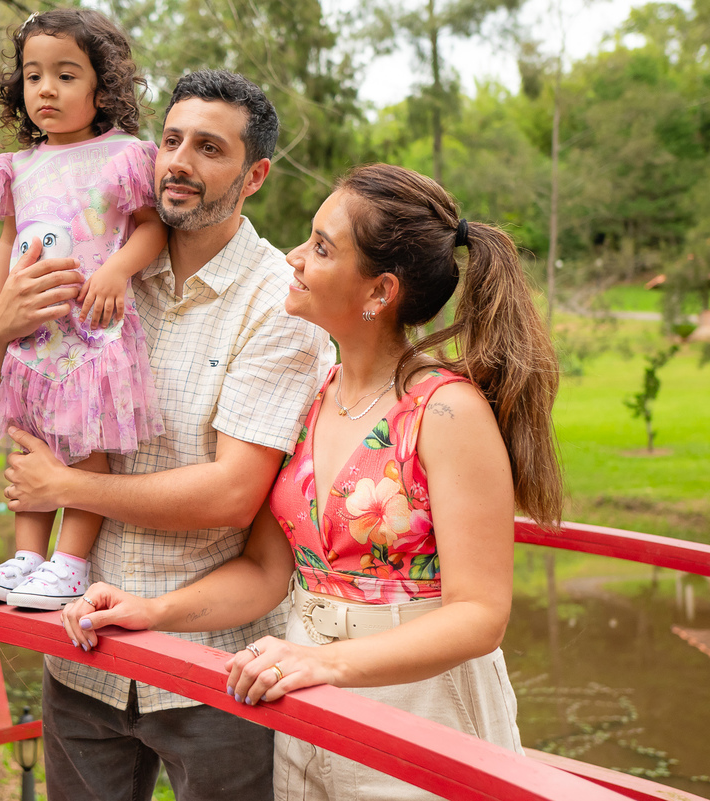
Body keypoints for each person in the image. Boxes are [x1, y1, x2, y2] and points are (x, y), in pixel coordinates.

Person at [61, 163, 563, 800]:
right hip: (309, 702)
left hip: (423, 707)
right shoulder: (316, 398)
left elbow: (479, 615)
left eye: (322, 248)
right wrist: (154, 611)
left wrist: (325, 662)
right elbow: (266, 571)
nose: (293, 258)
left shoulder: (445, 412)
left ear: (380, 292)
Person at [0, 70, 335, 800]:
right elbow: (20, 422)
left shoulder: (280, 304)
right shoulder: (103, 266)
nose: (178, 161)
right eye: (171, 140)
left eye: (209, 148)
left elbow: (232, 495)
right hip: (82, 658)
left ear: (255, 175)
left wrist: (66, 486)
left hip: (215, 670)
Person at [0, 9, 167, 611]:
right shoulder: (19, 167)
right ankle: (27, 557)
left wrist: (117, 270)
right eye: (33, 76)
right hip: (31, 334)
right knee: (29, 441)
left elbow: (152, 228)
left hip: (93, 328)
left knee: (86, 443)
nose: (45, 89)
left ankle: (70, 564)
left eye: (65, 75)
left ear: (102, 89)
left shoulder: (125, 154)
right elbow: (6, 245)